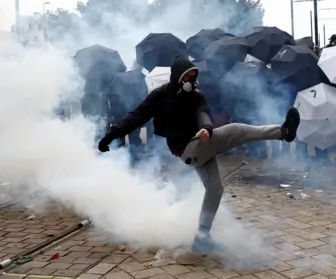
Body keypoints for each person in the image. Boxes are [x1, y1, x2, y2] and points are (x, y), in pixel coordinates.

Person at [97, 56, 300, 254]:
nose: (192, 81)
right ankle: (283, 133)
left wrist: (206, 128)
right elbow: (135, 117)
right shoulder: (160, 95)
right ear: (178, 77)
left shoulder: (196, 95)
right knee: (236, 130)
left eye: (194, 76)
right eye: (188, 77)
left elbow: (202, 113)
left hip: (201, 143)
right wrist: (110, 136)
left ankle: (202, 238)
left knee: (215, 189)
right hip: (186, 148)